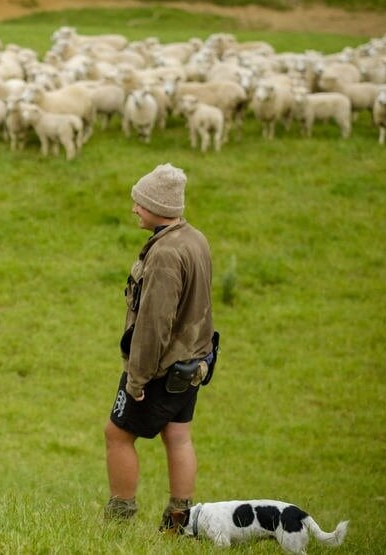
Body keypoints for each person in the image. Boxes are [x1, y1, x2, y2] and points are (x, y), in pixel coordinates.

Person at [103, 163, 217, 528]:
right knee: (178, 434)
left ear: (158, 206)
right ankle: (178, 519)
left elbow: (154, 325)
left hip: (160, 366)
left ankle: (120, 517)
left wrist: (137, 379)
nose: (135, 208)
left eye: (140, 202)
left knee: (117, 434)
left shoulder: (165, 254)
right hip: (192, 363)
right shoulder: (195, 238)